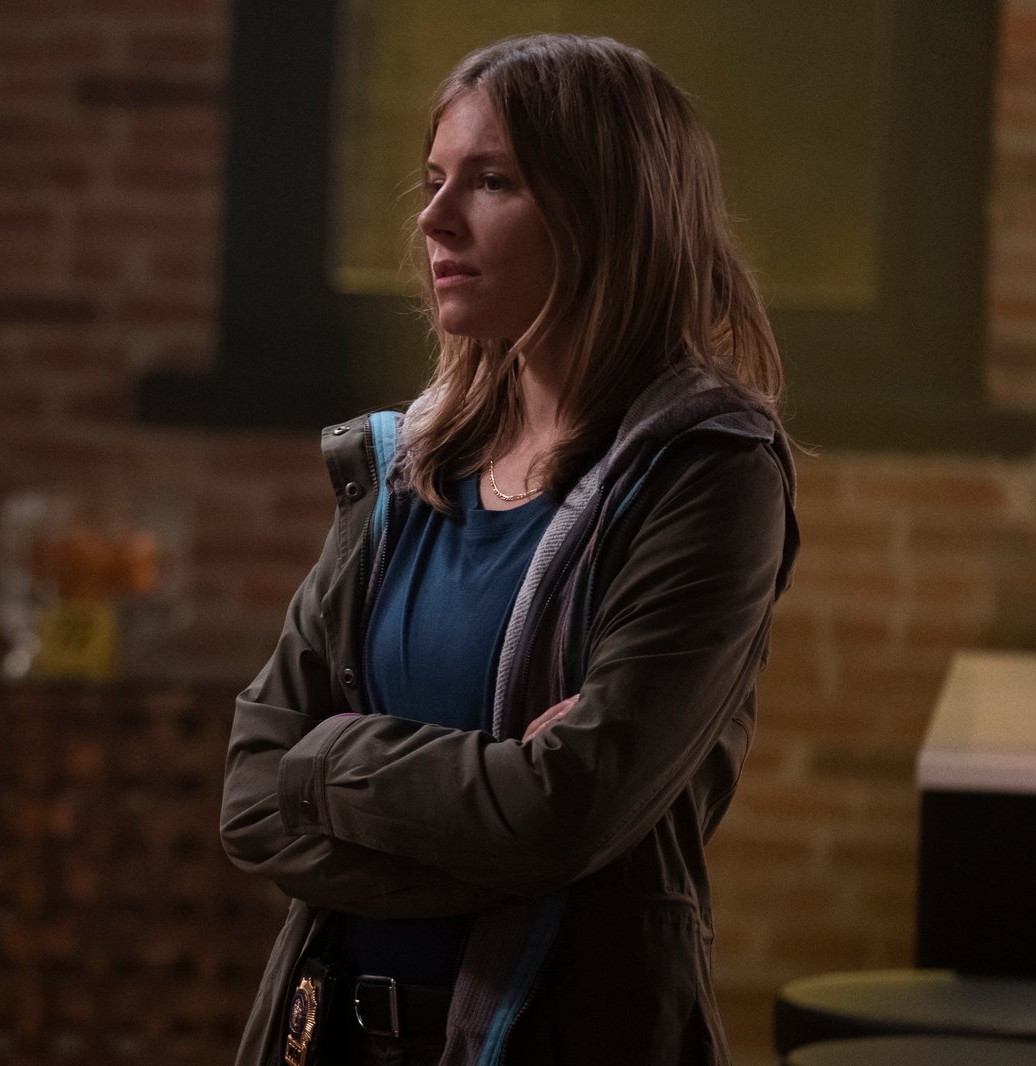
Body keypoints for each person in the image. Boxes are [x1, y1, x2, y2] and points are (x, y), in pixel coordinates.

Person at [220, 33, 800, 1066]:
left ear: (611, 211)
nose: (435, 219)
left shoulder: (708, 474)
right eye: (434, 180)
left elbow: (565, 813)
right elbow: (254, 792)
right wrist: (492, 821)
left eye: (492, 182)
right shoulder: (405, 469)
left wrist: (333, 758)